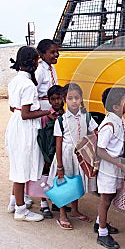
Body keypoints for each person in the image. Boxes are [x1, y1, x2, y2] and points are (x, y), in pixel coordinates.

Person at [5, 46, 51, 222]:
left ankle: (14, 201)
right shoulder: (28, 85)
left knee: (19, 164)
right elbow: (26, 114)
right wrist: (45, 113)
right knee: (21, 169)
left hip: (15, 125)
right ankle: (20, 210)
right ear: (33, 62)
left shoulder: (15, 80)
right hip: (24, 127)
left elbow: (14, 108)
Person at [47, 83, 98, 230]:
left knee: (76, 183)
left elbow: (96, 133)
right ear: (64, 100)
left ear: (81, 99)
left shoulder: (87, 117)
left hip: (80, 156)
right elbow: (58, 144)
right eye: (70, 98)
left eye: (77, 97)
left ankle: (75, 210)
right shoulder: (61, 120)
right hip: (66, 155)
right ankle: (63, 214)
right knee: (64, 184)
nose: (74, 101)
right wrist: (60, 166)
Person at [95, 87, 125, 249]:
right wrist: (119, 164)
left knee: (110, 196)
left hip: (116, 165)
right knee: (105, 198)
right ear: (116, 107)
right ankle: (102, 233)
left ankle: (99, 222)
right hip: (108, 168)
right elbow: (100, 150)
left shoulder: (119, 120)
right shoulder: (109, 125)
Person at [38, 84, 64, 219]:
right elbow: (42, 136)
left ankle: (55, 200)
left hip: (59, 152)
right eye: (53, 99)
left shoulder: (65, 115)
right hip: (48, 151)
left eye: (59, 98)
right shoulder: (46, 117)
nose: (56, 102)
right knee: (45, 175)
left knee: (56, 176)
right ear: (49, 101)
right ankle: (43, 203)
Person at [35, 39, 59, 111]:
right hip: (43, 108)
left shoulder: (52, 68)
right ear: (42, 54)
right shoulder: (39, 70)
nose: (56, 54)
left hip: (52, 107)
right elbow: (33, 92)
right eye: (52, 52)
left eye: (57, 51)